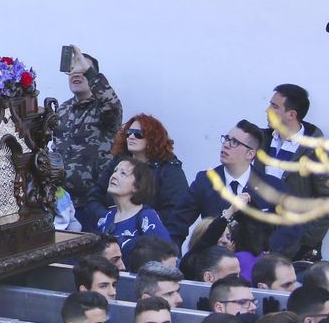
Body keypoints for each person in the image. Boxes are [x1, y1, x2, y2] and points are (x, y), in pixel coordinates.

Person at [191, 120, 301, 259]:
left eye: (234, 142)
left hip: (257, 265)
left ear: (250, 154)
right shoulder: (205, 180)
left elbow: (292, 226)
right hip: (214, 262)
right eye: (226, 139)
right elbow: (178, 220)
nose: (226, 145)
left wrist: (268, 252)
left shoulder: (272, 186)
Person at [87, 114, 194, 245]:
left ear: (154, 138)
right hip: (111, 235)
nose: (131, 136)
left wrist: (135, 221)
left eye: (139, 134)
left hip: (155, 242)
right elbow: (94, 197)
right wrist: (109, 218)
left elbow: (178, 213)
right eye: (129, 133)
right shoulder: (118, 162)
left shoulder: (169, 169)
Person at [263, 85, 329, 259]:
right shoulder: (263, 140)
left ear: (291, 114)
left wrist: (304, 241)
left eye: (274, 106)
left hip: (295, 249)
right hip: (259, 242)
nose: (267, 110)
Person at [55, 47, 123, 215]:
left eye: (82, 71)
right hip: (62, 201)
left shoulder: (103, 109)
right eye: (72, 70)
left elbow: (112, 104)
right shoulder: (62, 109)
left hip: (93, 203)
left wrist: (90, 72)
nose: (76, 74)